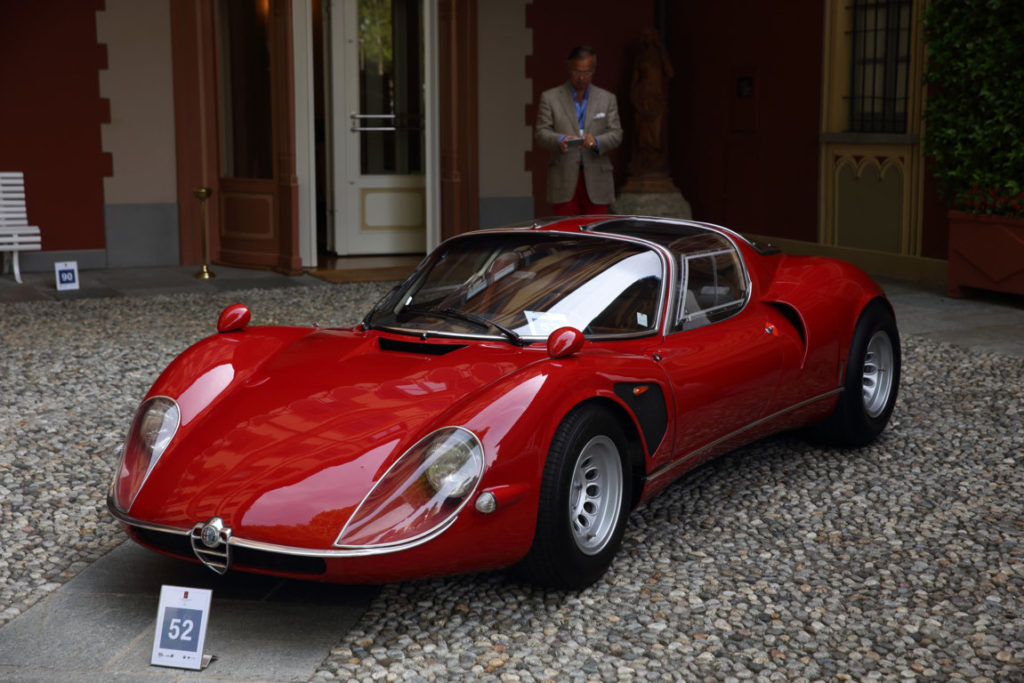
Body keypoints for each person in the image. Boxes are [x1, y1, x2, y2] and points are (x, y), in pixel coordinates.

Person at [535, 46, 623, 215]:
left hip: (598, 177)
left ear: (594, 70)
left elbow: (616, 134)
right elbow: (541, 133)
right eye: (577, 72)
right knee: (566, 234)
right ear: (569, 68)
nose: (582, 78)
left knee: (596, 233)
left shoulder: (607, 98)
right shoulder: (550, 97)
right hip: (563, 177)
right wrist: (560, 140)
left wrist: (596, 142)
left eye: (587, 72)